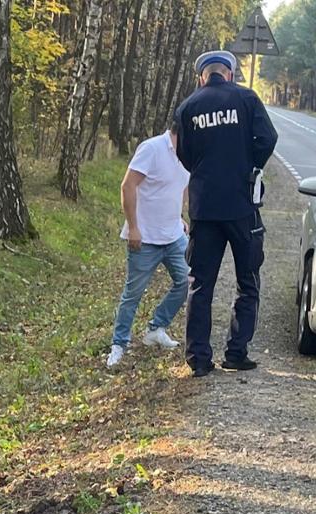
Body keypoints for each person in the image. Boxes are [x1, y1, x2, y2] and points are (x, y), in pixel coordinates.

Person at [173, 50, 277, 377]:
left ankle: (198, 359)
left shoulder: (188, 107)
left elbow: (183, 154)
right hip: (241, 205)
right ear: (229, 74)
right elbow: (268, 138)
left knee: (200, 284)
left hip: (204, 208)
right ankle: (235, 353)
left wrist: (204, 172)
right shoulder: (246, 99)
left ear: (201, 77)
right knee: (248, 281)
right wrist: (250, 164)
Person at [107, 123, 191, 368]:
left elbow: (181, 186)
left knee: (188, 281)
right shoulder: (152, 148)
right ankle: (118, 345)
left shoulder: (189, 153)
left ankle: (156, 328)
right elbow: (128, 185)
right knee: (133, 294)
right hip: (145, 238)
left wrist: (179, 216)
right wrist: (133, 227)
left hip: (174, 236)